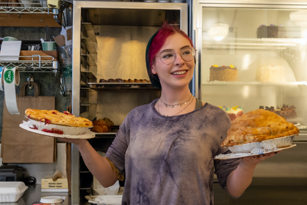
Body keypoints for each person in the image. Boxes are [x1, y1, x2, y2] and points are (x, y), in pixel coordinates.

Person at [62, 23, 278, 205]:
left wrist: (247, 164)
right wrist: (80, 142)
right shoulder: (136, 118)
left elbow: (234, 188)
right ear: (153, 66)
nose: (179, 61)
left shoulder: (215, 118)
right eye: (167, 55)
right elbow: (108, 178)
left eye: (186, 52)